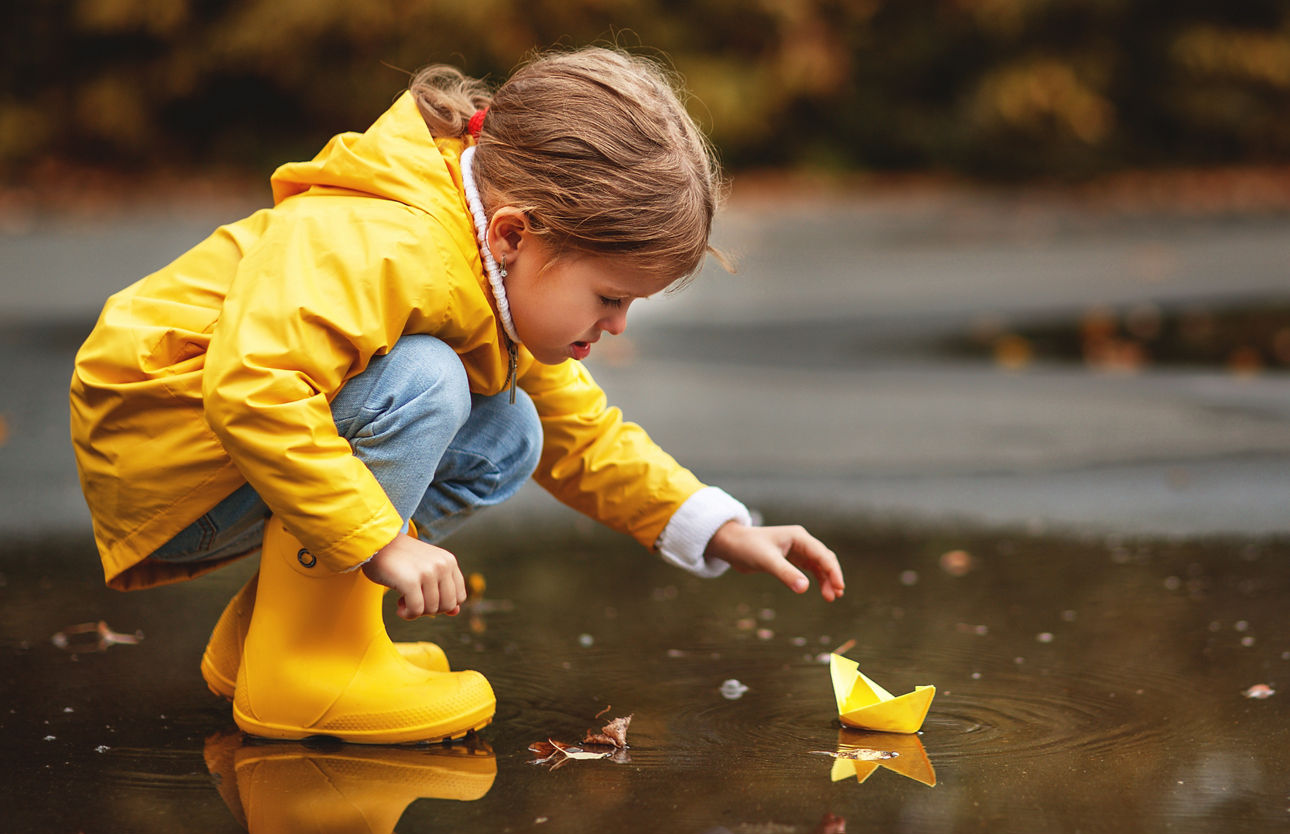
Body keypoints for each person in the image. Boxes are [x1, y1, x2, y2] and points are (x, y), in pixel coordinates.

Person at [69, 46, 846, 745]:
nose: (617, 324)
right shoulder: (388, 241)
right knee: (428, 380)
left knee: (511, 430)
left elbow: (581, 433)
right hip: (168, 454)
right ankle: (304, 667)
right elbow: (254, 387)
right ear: (513, 235)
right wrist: (382, 542)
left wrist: (717, 528)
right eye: (610, 297)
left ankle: (272, 638)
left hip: (228, 446)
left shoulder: (484, 264)